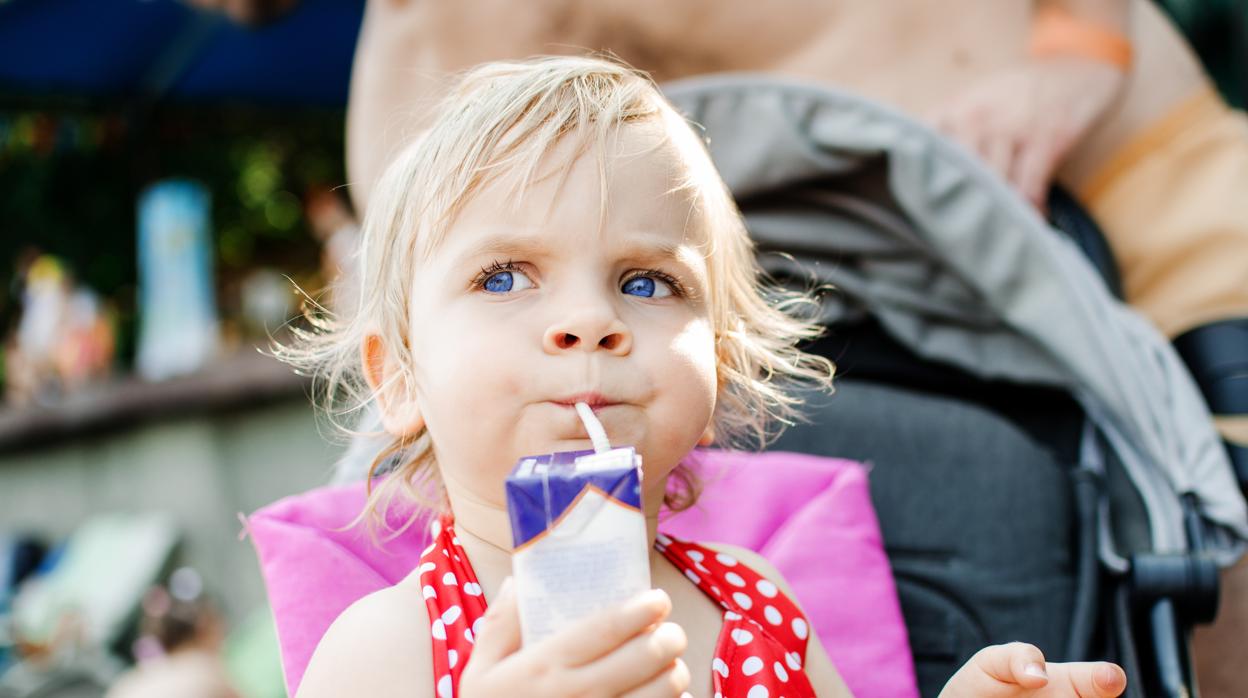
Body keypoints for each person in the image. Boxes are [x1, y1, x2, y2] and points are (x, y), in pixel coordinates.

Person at [281, 55, 1126, 698]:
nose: (589, 321)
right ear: (397, 381)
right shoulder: (386, 651)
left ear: (716, 367)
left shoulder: (757, 605)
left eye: (646, 283)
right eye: (503, 276)